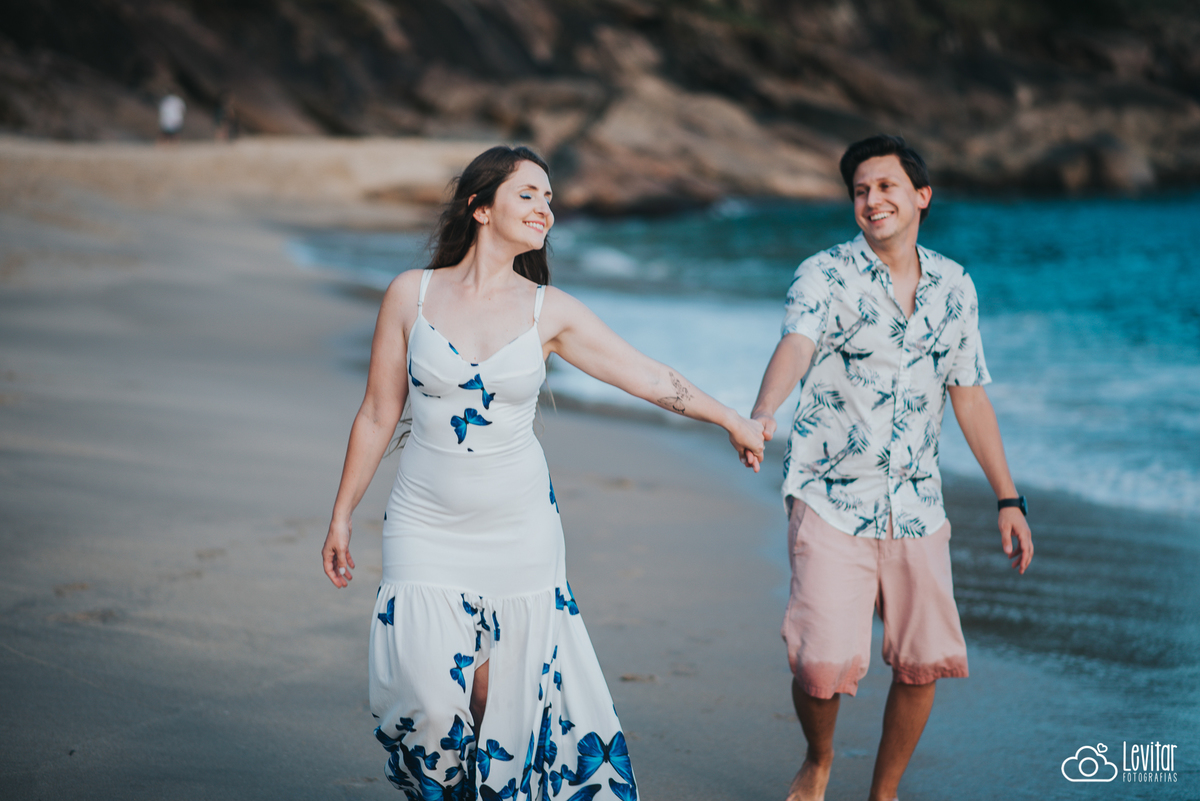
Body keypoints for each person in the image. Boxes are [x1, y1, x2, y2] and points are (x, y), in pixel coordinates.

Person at [321, 145, 765, 800]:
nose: (544, 208)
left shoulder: (548, 310)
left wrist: (729, 418)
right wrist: (341, 514)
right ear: (480, 208)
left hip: (519, 533)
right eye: (527, 194)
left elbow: (647, 376)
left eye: (549, 197)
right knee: (426, 706)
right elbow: (378, 412)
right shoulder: (410, 295)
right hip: (424, 524)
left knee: (500, 708)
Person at [749, 135, 1034, 801]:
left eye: (885, 187)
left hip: (917, 505)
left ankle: (885, 791)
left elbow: (969, 393)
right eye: (860, 190)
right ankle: (819, 758)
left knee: (922, 660)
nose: (872, 200)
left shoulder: (955, 285)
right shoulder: (823, 274)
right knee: (820, 663)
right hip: (830, 496)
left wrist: (1008, 498)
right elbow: (796, 343)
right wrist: (763, 410)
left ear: (921, 197)